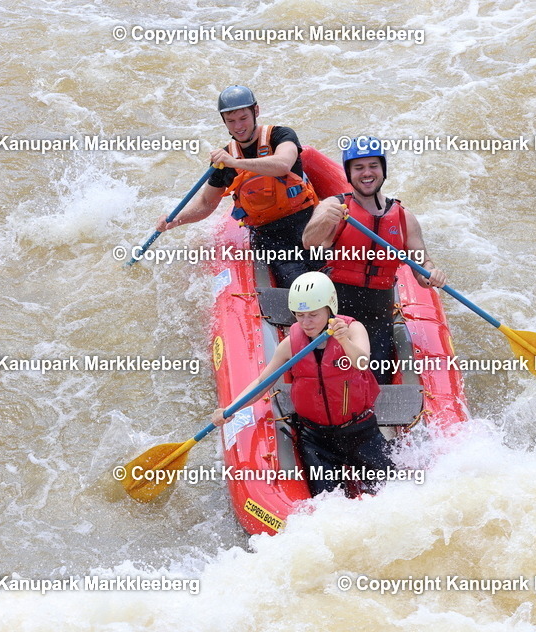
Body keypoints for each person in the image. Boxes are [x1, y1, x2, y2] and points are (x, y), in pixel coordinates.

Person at [210, 272, 394, 496]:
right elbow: (262, 382)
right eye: (300, 315)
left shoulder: (354, 330)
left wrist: (344, 340)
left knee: (393, 491)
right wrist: (230, 410)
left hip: (360, 431)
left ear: (330, 308)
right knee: (326, 504)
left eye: (313, 315)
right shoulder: (290, 344)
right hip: (318, 439)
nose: (306, 323)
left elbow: (363, 363)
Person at [302, 135, 446, 384]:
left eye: (373, 166)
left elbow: (422, 268)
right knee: (330, 378)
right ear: (349, 173)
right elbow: (309, 242)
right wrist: (326, 219)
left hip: (378, 312)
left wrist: (432, 274)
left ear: (383, 170)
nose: (366, 173)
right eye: (358, 167)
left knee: (375, 378)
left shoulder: (403, 217)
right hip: (337, 307)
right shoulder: (334, 206)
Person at [156, 85, 320, 287]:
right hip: (271, 237)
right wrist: (175, 220)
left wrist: (235, 163)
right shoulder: (223, 161)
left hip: (307, 223)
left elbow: (283, 164)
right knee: (300, 284)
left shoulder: (281, 135)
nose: (238, 126)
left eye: (243, 118)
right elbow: (207, 203)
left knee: (331, 272)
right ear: (224, 121)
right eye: (231, 121)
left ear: (256, 112)